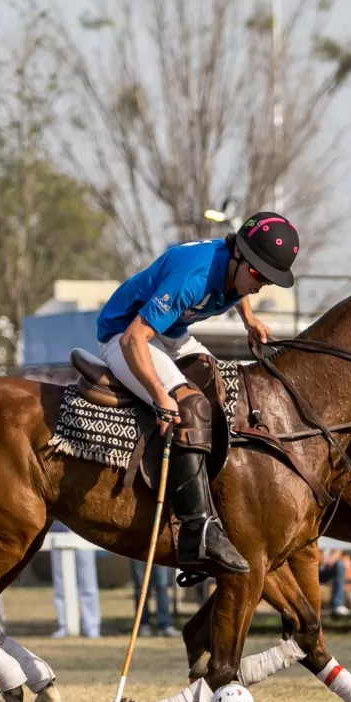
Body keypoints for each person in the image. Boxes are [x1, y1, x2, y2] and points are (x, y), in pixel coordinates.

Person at [95, 211, 300, 582]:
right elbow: (133, 339)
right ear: (237, 253)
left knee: (226, 390)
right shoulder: (193, 276)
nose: (259, 284)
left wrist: (248, 320)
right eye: (257, 273)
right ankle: (196, 531)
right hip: (124, 334)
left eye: (267, 279)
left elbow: (241, 287)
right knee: (190, 406)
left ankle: (216, 506)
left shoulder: (239, 273)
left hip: (172, 334)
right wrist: (160, 395)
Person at [130, 559, 178, 636]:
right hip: (137, 551)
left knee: (162, 585)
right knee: (141, 586)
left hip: (158, 552)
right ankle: (143, 624)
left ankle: (164, 625)